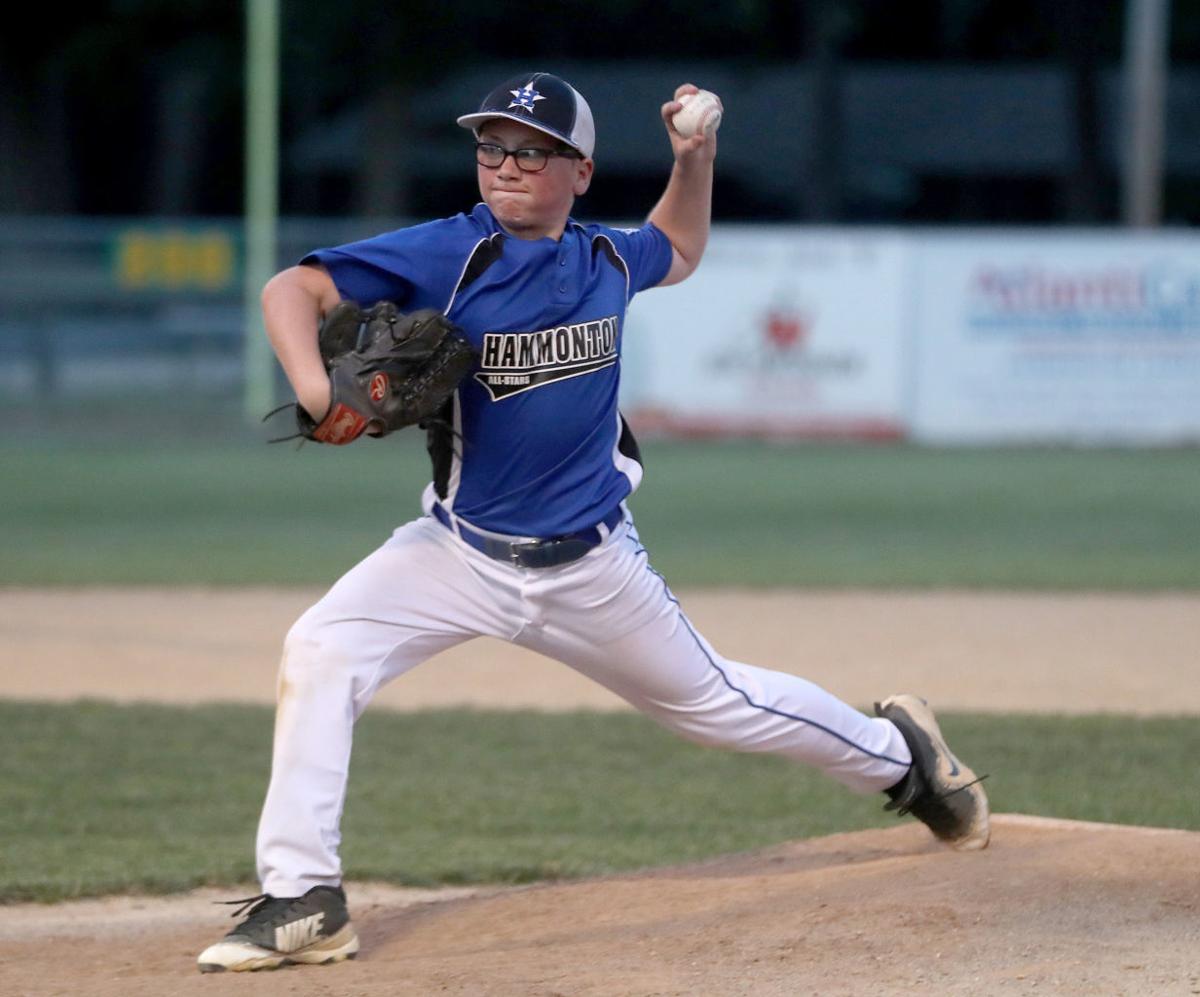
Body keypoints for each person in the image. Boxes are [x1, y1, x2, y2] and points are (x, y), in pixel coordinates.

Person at [197, 72, 989, 974]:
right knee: (321, 649)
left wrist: (696, 156)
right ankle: (306, 897)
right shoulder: (445, 253)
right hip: (455, 553)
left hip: (592, 568)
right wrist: (313, 387)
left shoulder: (606, 258)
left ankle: (905, 759)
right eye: (491, 146)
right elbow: (291, 290)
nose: (505, 164)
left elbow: (679, 245)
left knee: (723, 707)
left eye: (532, 150)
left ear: (579, 171)